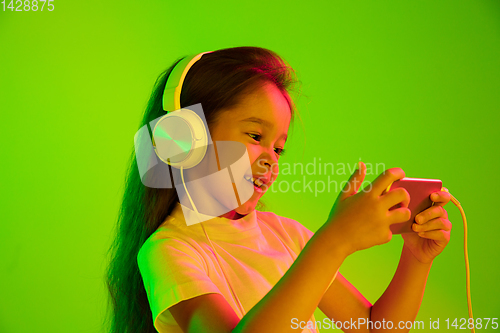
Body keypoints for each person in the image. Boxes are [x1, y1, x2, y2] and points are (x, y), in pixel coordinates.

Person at [106, 46, 453, 333]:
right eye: (256, 137)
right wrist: (334, 241)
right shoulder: (169, 251)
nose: (271, 159)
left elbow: (375, 328)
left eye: (279, 148)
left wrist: (416, 258)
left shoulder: (287, 236)